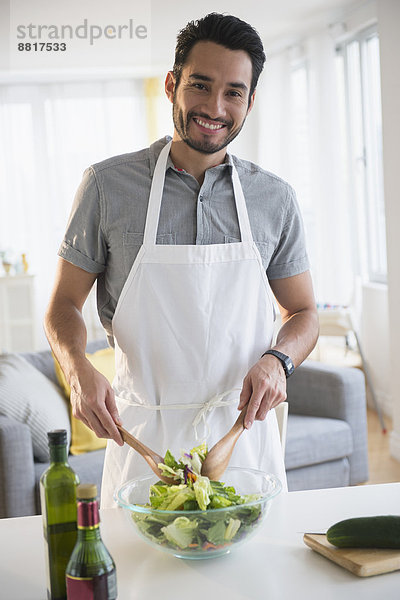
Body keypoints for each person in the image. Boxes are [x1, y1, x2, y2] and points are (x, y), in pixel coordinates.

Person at [45, 13, 319, 506]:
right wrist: (76, 368)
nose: (215, 107)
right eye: (200, 85)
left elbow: (304, 314)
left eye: (234, 92)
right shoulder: (107, 187)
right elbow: (63, 303)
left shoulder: (274, 198)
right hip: (142, 442)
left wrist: (279, 362)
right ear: (172, 84)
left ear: (250, 102)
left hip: (243, 440)